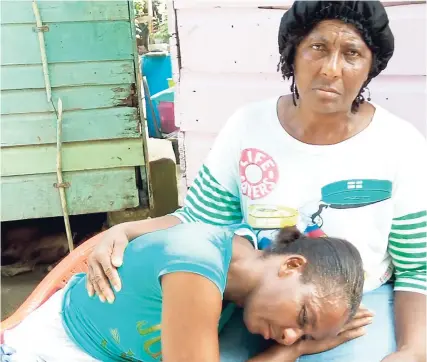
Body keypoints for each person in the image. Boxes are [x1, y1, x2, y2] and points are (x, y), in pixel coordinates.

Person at [87, 1, 426, 361]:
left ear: (370, 67)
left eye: (352, 54)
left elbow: (419, 268)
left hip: (359, 308)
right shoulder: (248, 127)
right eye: (318, 47)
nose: (331, 69)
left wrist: (414, 350)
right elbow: (200, 222)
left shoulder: (399, 145)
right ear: (292, 52)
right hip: (268, 303)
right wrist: (124, 231)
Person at [2, 224, 369, 362]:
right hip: (50, 350)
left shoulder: (239, 252)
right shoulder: (196, 262)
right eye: (303, 319)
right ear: (291, 265)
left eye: (302, 335)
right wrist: (293, 354)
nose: (290, 336)